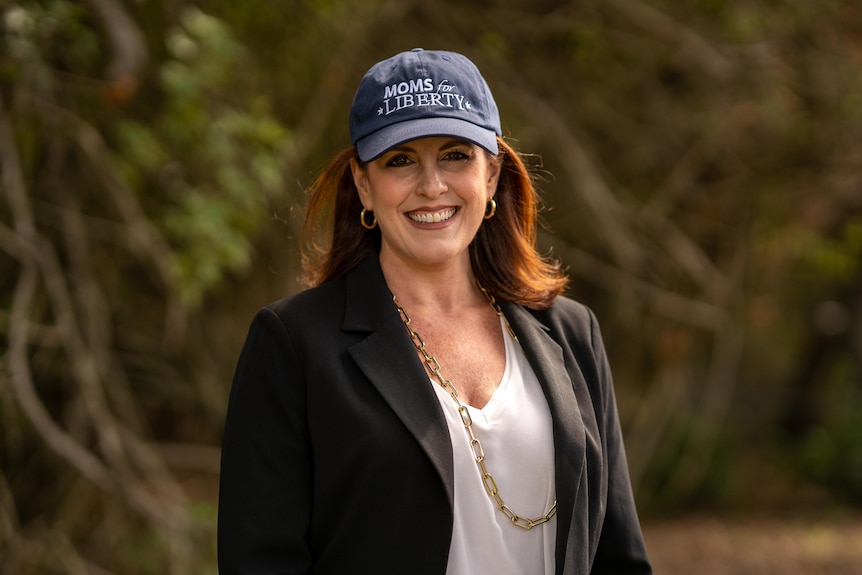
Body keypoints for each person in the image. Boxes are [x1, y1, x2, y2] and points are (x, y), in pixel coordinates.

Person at [217, 48, 652, 575]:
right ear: (363, 185)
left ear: (490, 175)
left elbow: (617, 555)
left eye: (455, 155)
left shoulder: (570, 331)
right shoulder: (294, 343)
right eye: (400, 160)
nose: (432, 185)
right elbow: (259, 562)